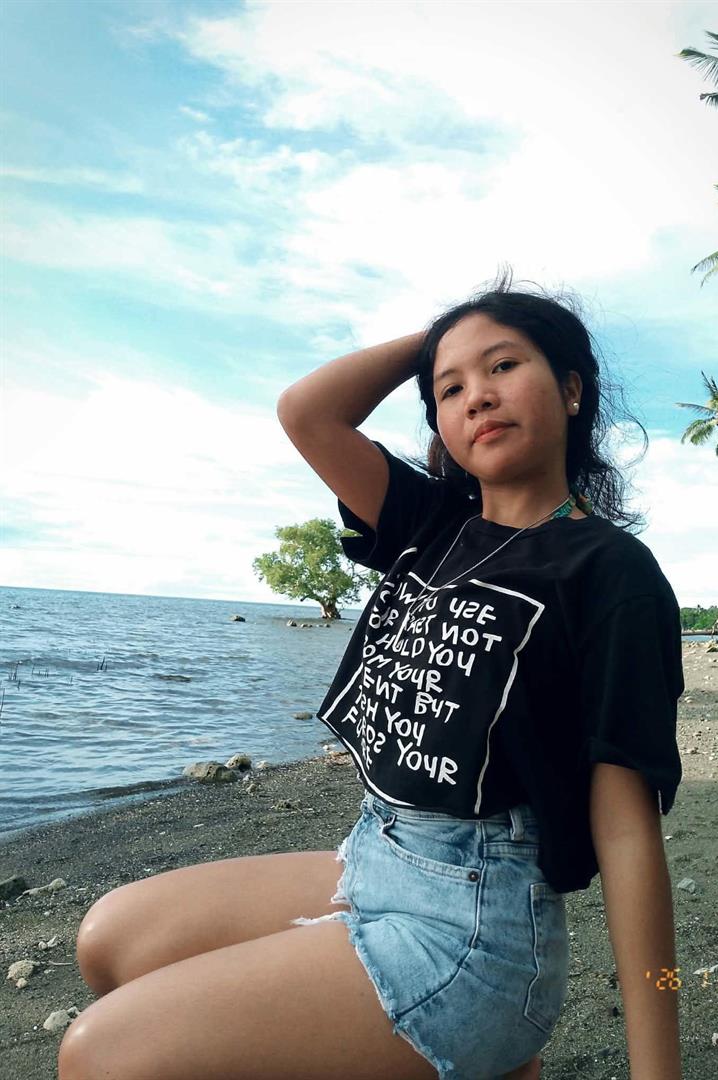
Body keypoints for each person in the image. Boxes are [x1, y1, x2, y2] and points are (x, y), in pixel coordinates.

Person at [58, 270, 684, 1080]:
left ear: (570, 388)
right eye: (449, 388)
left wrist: (656, 1067)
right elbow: (307, 412)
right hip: (372, 857)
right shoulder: (430, 525)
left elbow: (627, 831)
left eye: (503, 365)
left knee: (99, 1055)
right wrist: (446, 333)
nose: (477, 395)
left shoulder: (610, 572)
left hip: (476, 929)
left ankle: (486, 1045)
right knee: (110, 941)